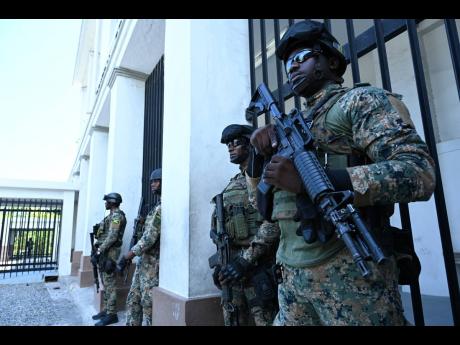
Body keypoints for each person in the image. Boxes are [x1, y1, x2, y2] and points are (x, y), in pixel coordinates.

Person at [235, 20, 436, 326]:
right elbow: (263, 210)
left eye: (301, 57)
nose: (292, 67)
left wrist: (319, 181)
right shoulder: (287, 127)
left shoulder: (359, 102)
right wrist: (257, 161)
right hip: (291, 280)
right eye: (289, 62)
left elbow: (418, 173)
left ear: (330, 59)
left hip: (353, 280)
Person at [210, 124, 278, 326]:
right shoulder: (232, 184)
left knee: (264, 319)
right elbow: (221, 228)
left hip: (259, 267)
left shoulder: (266, 176)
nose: (230, 148)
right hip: (232, 270)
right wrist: (222, 263)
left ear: (250, 144)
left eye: (235, 143)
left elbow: (274, 223)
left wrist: (245, 260)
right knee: (232, 319)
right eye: (227, 145)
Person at [119, 169, 162, 326]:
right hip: (144, 264)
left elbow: (149, 239)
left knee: (148, 305)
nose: (152, 184)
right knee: (133, 300)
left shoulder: (160, 209)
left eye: (156, 181)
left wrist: (127, 256)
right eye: (151, 181)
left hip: (152, 266)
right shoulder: (155, 208)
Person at [91, 192, 127, 326]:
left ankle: (112, 315)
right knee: (105, 282)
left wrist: (99, 251)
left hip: (110, 253)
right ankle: (107, 310)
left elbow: (112, 237)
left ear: (112, 202)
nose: (105, 203)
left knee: (109, 283)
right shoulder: (110, 216)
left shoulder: (117, 216)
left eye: (107, 201)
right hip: (104, 252)